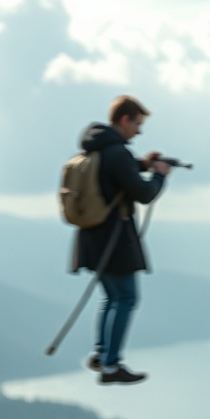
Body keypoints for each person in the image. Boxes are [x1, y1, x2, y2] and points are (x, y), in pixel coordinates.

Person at [70, 95, 172, 384]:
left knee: (112, 297)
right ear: (124, 120)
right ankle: (112, 365)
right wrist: (160, 176)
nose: (138, 132)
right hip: (113, 240)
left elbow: (115, 175)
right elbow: (144, 193)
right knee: (126, 297)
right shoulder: (116, 152)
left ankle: (102, 353)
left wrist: (141, 163)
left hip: (92, 238)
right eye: (137, 125)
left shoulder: (98, 148)